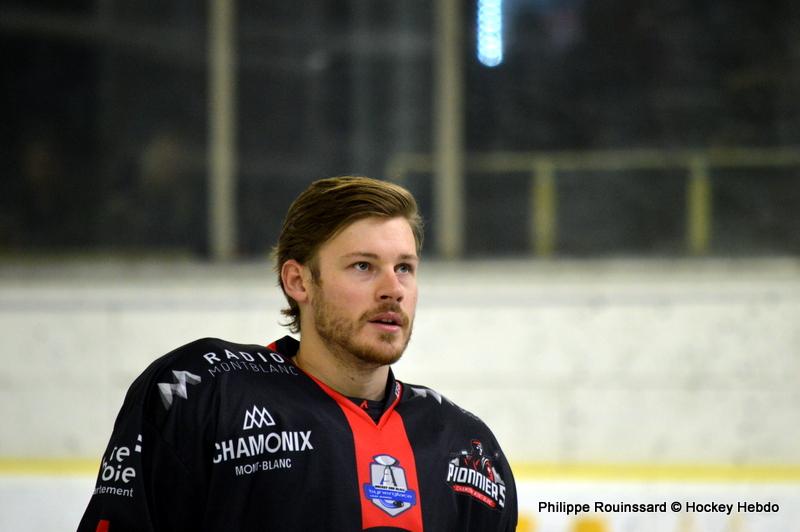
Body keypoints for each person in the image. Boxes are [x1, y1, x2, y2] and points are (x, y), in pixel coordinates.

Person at [78, 176, 517, 532]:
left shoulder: (468, 452)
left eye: (404, 267)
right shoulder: (199, 393)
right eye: (363, 266)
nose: (393, 289)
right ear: (298, 282)